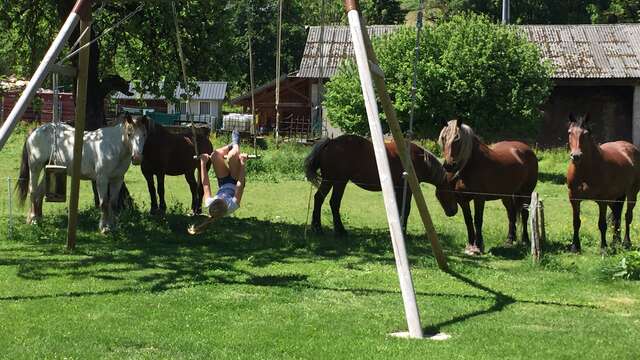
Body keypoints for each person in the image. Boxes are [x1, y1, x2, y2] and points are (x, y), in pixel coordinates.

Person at [199, 129, 248, 220]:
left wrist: (203, 163)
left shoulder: (209, 204)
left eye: (218, 199)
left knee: (214, 155)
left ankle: (232, 145)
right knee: (232, 157)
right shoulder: (232, 206)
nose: (222, 197)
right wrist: (242, 163)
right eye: (222, 200)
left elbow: (205, 184)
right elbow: (240, 185)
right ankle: (235, 143)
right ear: (225, 205)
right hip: (236, 181)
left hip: (223, 182)